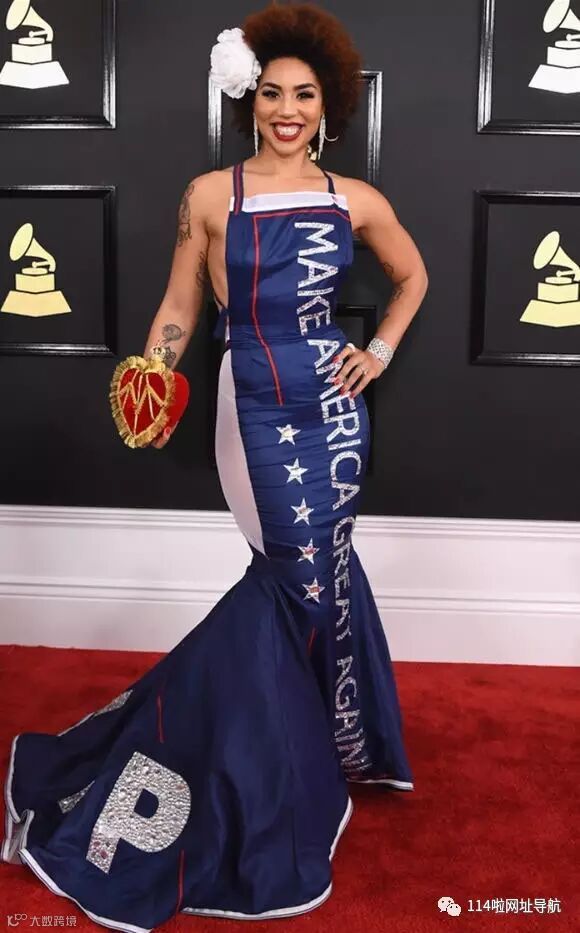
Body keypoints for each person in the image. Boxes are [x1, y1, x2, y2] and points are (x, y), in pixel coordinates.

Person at [1, 4, 428, 931]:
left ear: (327, 106)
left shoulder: (355, 200)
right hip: (254, 405)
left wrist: (379, 352)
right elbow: (180, 305)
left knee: (324, 571)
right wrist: (156, 366)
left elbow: (414, 276)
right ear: (250, 101)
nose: (287, 109)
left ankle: (316, 746)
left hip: (335, 413)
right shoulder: (207, 195)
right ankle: (239, 759)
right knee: (289, 574)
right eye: (271, 93)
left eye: (303, 95)